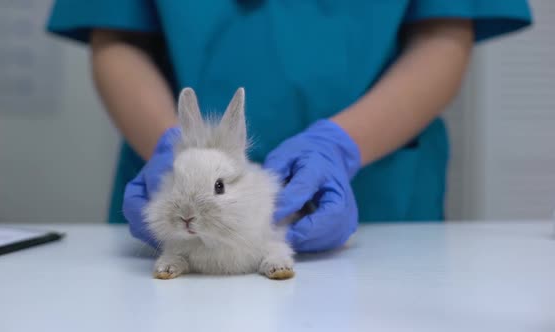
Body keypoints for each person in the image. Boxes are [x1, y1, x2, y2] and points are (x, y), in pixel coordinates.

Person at [47, 1, 531, 252]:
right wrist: (171, 148)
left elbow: (445, 33)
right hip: (163, 170)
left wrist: (338, 146)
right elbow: (115, 36)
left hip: (381, 195)